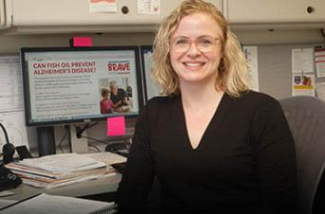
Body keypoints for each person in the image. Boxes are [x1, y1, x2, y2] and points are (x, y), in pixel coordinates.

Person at [115, 0, 297, 213]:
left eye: (205, 42)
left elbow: (282, 204)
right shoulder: (154, 112)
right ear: (169, 51)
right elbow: (130, 195)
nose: (192, 52)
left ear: (222, 50)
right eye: (181, 41)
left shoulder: (262, 111)